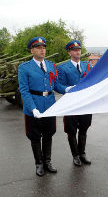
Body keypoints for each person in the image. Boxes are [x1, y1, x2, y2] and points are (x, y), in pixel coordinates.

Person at [18, 37, 71, 177]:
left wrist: (67, 89)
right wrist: (32, 108)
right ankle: (39, 163)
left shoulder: (51, 65)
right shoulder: (24, 67)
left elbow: (56, 85)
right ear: (32, 50)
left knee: (48, 134)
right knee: (35, 137)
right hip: (34, 108)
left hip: (49, 106)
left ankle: (47, 161)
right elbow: (24, 90)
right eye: (39, 47)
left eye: (44, 47)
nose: (43, 50)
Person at [57, 40, 92, 167]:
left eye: (79, 49)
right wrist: (66, 89)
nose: (77, 51)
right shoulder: (63, 68)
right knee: (71, 131)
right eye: (74, 50)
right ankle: (75, 155)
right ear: (69, 52)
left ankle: (82, 153)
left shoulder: (87, 65)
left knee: (84, 128)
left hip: (84, 103)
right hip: (70, 104)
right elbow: (58, 85)